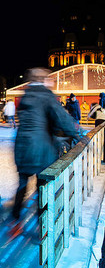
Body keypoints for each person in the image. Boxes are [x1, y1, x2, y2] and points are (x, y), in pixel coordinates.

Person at [11, 68, 80, 223]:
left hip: (22, 147)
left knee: (22, 183)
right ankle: (42, 223)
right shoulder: (46, 96)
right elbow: (62, 119)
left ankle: (15, 220)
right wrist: (76, 133)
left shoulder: (26, 96)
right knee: (43, 186)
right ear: (44, 80)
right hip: (42, 149)